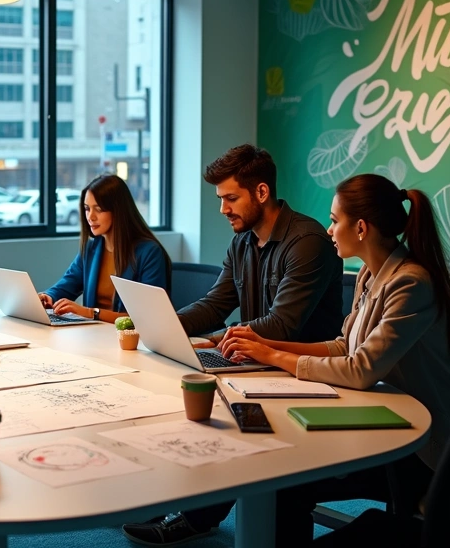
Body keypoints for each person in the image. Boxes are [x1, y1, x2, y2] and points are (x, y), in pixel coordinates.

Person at [216, 173, 450, 545]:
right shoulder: (370, 273)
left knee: (287, 484)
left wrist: (270, 353)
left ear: (361, 227)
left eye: (335, 221)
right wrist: (265, 344)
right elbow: (342, 346)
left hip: (417, 448)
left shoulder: (409, 282)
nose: (329, 230)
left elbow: (360, 369)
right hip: (380, 414)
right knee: (285, 475)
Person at [122, 145, 345, 545]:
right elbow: (216, 303)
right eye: (221, 199)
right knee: (187, 402)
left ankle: (203, 516)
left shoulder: (307, 241)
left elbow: (283, 324)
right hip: (256, 365)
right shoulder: (242, 242)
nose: (223, 209)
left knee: (218, 419)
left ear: (261, 192)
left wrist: (222, 335)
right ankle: (197, 513)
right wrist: (161, 321)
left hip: (305, 375)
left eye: (230, 198)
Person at [38, 174, 171, 323]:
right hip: (95, 335)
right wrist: (48, 296)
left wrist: (90, 312)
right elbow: (68, 283)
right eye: (87, 209)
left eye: (99, 209)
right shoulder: (91, 248)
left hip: (128, 339)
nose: (90, 217)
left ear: (118, 211)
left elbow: (147, 317)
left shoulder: (149, 253)